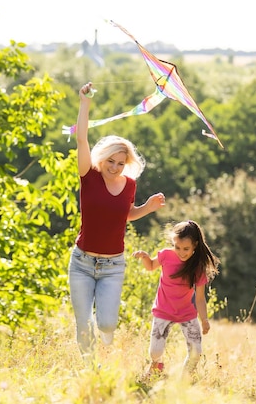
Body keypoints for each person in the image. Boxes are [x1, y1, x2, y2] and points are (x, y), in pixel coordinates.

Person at [68, 82, 166, 357]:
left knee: (107, 323)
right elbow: (82, 139)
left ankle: (106, 338)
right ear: (103, 158)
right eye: (111, 161)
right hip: (82, 263)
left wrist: (146, 207)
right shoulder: (89, 176)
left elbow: (126, 214)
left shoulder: (129, 184)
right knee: (84, 323)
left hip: (113, 265)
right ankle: (89, 369)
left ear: (127, 164)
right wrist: (85, 103)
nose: (114, 167)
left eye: (120, 163)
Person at [133, 220, 220, 380]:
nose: (181, 252)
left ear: (195, 245)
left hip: (187, 314)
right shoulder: (166, 255)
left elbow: (200, 298)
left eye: (186, 249)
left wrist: (205, 319)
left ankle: (184, 379)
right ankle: (156, 366)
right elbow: (151, 266)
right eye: (177, 247)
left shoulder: (197, 267)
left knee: (196, 351)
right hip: (163, 311)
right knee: (155, 352)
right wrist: (145, 257)